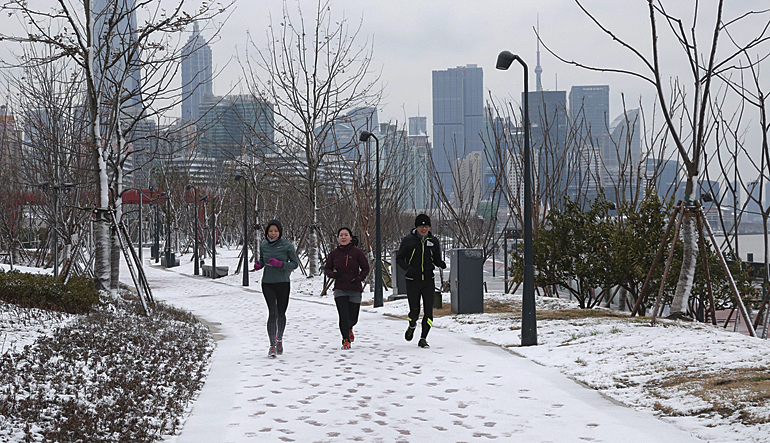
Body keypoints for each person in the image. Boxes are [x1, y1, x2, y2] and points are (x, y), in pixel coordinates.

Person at [396, 213, 446, 349]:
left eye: (426, 226)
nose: (424, 229)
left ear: (429, 227)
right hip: (413, 280)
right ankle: (412, 325)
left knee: (429, 311)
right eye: (421, 226)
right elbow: (399, 258)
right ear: (416, 227)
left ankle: (423, 338)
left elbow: (436, 258)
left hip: (428, 281)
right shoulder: (408, 240)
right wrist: (407, 268)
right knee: (415, 311)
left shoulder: (433, 241)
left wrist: (440, 263)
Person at [253, 219, 299, 358]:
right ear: (267, 232)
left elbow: (295, 264)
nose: (273, 234)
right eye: (270, 231)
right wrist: (259, 264)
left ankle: (279, 339)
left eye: (276, 231)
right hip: (267, 283)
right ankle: (272, 345)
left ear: (280, 232)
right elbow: (262, 259)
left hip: (283, 283)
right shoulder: (264, 245)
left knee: (280, 313)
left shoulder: (287, 245)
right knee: (272, 312)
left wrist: (281, 264)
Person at [324, 227, 370, 350]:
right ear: (338, 238)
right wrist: (334, 275)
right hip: (340, 288)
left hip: (354, 288)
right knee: (343, 316)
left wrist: (359, 278)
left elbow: (366, 268)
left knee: (353, 318)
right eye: (341, 235)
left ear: (350, 237)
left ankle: (350, 328)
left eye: (346, 235)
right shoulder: (334, 253)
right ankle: (345, 339)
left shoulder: (357, 252)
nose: (343, 237)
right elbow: (327, 268)